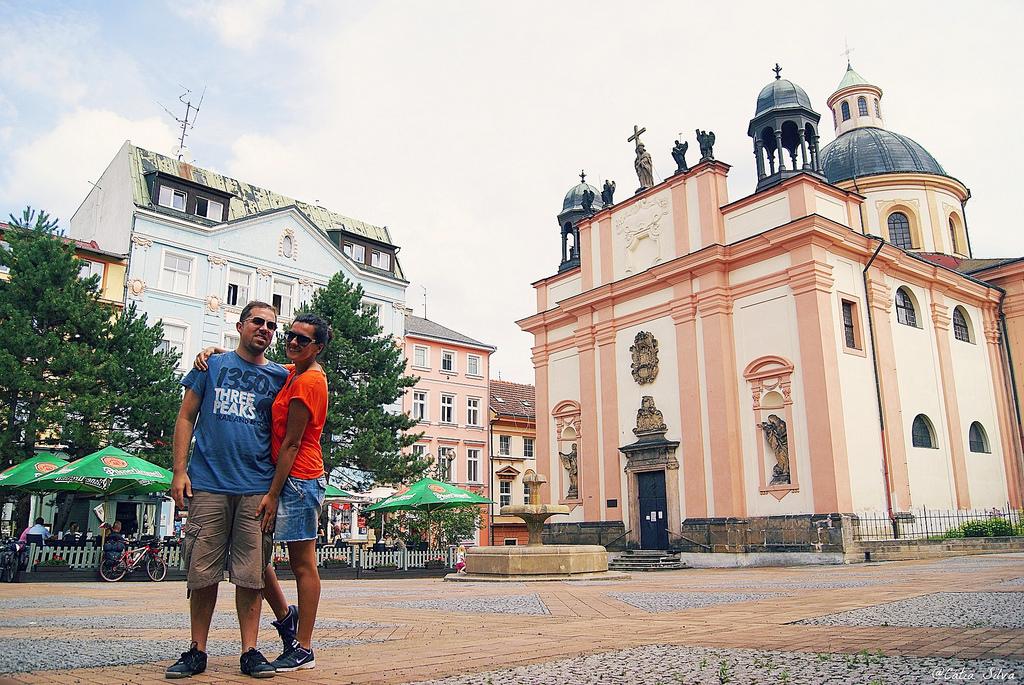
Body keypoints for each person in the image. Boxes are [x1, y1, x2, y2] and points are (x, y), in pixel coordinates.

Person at [195, 312, 332, 673]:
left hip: (298, 479)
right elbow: (256, 361)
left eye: (303, 340)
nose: (293, 342)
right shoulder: (294, 372)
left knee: (303, 563)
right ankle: (287, 619)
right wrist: (218, 352)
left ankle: (303, 646)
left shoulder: (308, 382)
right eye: (291, 335)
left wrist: (272, 493)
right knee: (260, 558)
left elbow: (291, 444)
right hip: (283, 478)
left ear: (317, 347)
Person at [166, 301, 289, 680]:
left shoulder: (280, 377)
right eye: (257, 321)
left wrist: (274, 491)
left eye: (271, 325)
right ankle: (197, 650)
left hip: (256, 488)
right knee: (201, 572)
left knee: (251, 575)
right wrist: (179, 471)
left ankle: (249, 651)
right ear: (239, 326)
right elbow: (186, 417)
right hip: (209, 484)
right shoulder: (211, 366)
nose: (265, 329)